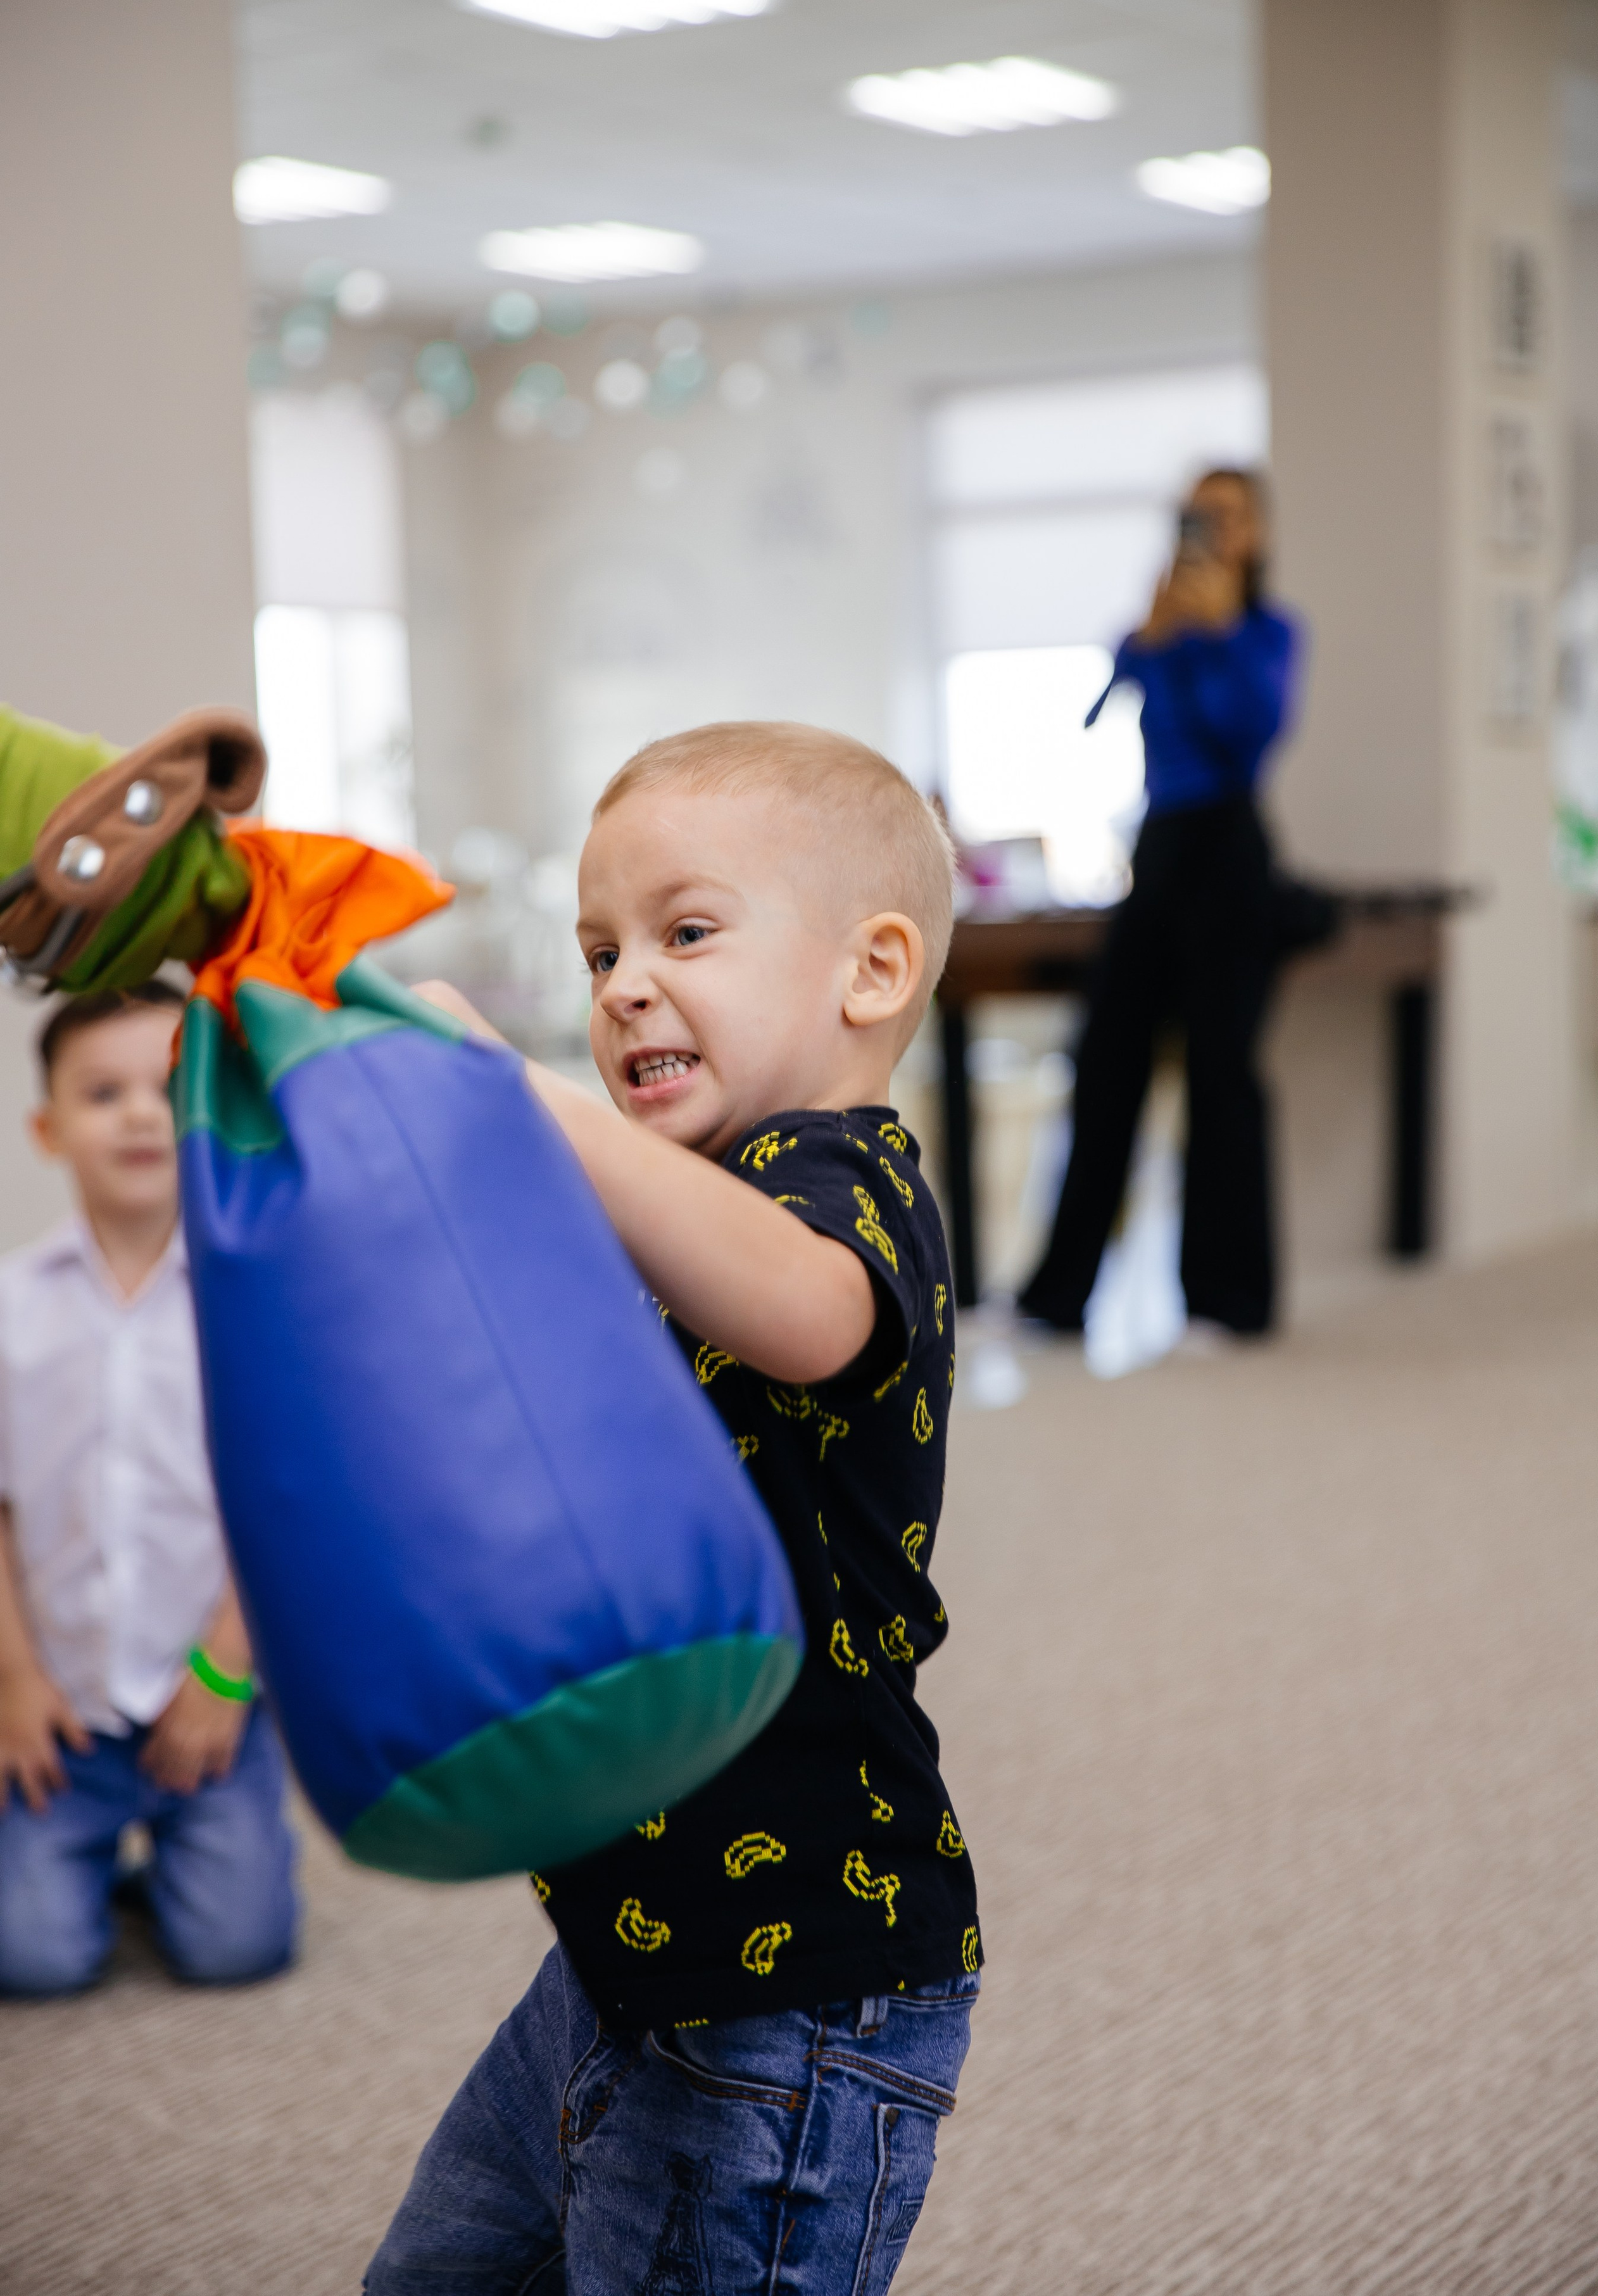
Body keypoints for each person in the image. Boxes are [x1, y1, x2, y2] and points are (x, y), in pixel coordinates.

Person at [367, 724, 980, 2296]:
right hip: (622, 1952)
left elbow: (802, 1313)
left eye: (685, 932)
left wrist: (529, 1104)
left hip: (796, 1996)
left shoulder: (844, 1184)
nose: (623, 983)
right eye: (597, 952)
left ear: (869, 972)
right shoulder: (689, 1201)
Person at [0, 983, 298, 1996]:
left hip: (207, 1699)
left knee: (238, 1950)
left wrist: (223, 1676)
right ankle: (91, 1859)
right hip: (63, 1707)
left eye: (164, 1089)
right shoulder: (11, 1310)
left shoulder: (254, 1305)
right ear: (48, 1129)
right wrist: (14, 1682)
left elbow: (284, 1503)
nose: (138, 1113)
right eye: (103, 1093)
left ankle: (182, 1851)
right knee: (31, 1960)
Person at [1019, 467, 1304, 1339]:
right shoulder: (1163, 629)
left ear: (1254, 532)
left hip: (1231, 848)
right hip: (1161, 849)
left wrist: (1215, 635)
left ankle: (1228, 1303)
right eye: (1196, 514)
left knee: (1223, 1079)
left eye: (1225, 516)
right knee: (1106, 1068)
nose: (1207, 530)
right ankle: (1056, 1298)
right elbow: (1099, 710)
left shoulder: (1266, 633)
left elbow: (1253, 734)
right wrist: (1148, 633)